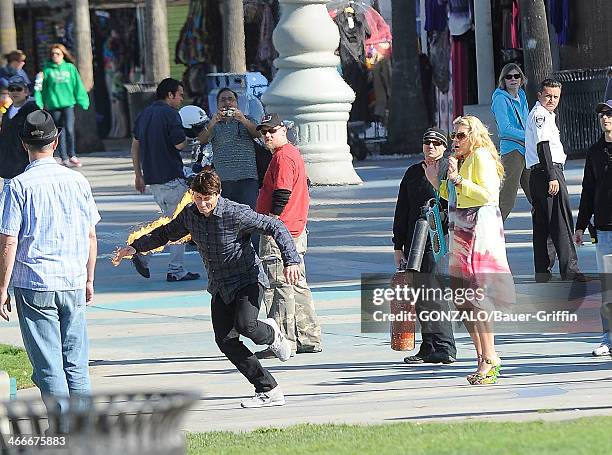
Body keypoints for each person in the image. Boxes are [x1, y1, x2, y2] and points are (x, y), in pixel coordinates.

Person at [112, 169, 301, 408]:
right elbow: (166, 233)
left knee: (246, 325)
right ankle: (268, 390)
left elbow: (275, 226)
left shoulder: (236, 213)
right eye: (198, 198)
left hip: (247, 279)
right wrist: (136, 247)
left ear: (218, 194)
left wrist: (291, 260)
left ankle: (272, 334)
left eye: (207, 199)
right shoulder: (190, 215)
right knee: (225, 341)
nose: (202, 204)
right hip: (220, 285)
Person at [0, 110, 99, 414]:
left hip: (34, 283)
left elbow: (8, 241)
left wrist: (2, 287)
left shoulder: (17, 186)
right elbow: (90, 235)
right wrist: (88, 278)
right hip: (72, 278)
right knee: (76, 362)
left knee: (48, 365)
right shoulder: (77, 181)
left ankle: (61, 429)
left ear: (23, 145)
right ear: (56, 142)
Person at [424, 116, 513, 385]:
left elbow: (487, 196)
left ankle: (490, 357)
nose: (455, 140)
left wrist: (458, 179)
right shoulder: (462, 160)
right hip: (461, 230)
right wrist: (437, 181)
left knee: (476, 297)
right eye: (454, 135)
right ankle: (482, 357)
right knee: (463, 301)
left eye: (460, 136)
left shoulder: (482, 156)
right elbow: (454, 195)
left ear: (474, 136)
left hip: (478, 232)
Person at [254, 114, 322, 359]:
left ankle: (283, 341)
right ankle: (309, 337)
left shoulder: (282, 157)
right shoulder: (292, 153)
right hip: (295, 229)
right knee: (298, 283)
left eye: (272, 130)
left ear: (284, 130)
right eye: (264, 132)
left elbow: (282, 194)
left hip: (279, 231)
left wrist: (269, 221)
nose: (267, 136)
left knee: (278, 285)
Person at [393, 127, 457, 364]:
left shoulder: (449, 170)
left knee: (435, 293)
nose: (431, 146)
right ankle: (428, 346)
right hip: (414, 240)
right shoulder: (412, 173)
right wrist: (397, 246)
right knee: (420, 295)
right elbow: (402, 211)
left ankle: (445, 346)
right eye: (427, 142)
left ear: (444, 147)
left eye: (436, 143)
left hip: (438, 239)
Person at [129, 78, 200, 283]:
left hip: (153, 179)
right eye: (179, 94)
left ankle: (145, 253)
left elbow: (135, 145)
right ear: (169, 95)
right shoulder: (171, 115)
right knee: (180, 224)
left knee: (172, 221)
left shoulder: (144, 114)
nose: (181, 99)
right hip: (170, 177)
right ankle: (171, 267)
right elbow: (179, 145)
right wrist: (190, 136)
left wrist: (138, 175)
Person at [525, 78, 586, 283]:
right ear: (539, 95)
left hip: (538, 173)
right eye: (548, 95)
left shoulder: (543, 114)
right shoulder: (541, 115)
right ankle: (570, 270)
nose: (552, 100)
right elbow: (544, 146)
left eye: (556, 97)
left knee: (543, 224)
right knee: (561, 221)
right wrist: (552, 176)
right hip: (548, 171)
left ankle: (542, 271)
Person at [574, 99, 612, 357]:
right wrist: (580, 225)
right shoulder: (595, 151)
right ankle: (607, 337)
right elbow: (588, 189)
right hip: (605, 227)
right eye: (602, 115)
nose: (605, 119)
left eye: (609, 114)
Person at [197, 88, 260, 209]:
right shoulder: (213, 125)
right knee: (226, 219)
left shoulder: (247, 119)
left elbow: (258, 134)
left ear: (237, 103)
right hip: (223, 181)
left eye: (231, 99)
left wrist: (243, 120)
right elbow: (202, 140)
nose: (227, 103)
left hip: (247, 179)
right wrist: (212, 122)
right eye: (223, 100)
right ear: (217, 105)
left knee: (249, 217)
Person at [34, 43, 89, 167]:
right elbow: (40, 88)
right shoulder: (46, 70)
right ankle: (63, 157)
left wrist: (83, 100)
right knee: (59, 131)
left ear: (63, 55)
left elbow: (78, 85)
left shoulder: (70, 68)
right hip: (54, 105)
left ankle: (72, 155)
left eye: (58, 54)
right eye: (53, 54)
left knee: (69, 129)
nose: (55, 56)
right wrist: (39, 102)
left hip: (68, 104)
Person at [491, 63, 530, 221]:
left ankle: (547, 233)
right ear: (503, 80)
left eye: (516, 76)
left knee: (537, 194)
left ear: (521, 78)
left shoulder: (521, 95)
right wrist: (528, 135)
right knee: (506, 199)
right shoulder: (500, 99)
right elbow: (505, 129)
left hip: (527, 150)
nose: (513, 79)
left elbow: (526, 120)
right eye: (509, 77)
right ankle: (491, 234)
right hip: (512, 150)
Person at [0, 76, 39, 180]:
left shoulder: (33, 110)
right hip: (8, 165)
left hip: (26, 165)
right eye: (11, 89)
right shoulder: (7, 112)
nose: (15, 92)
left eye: (18, 89)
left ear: (26, 92)